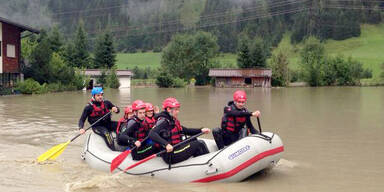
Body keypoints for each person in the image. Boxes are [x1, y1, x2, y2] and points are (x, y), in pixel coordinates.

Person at [149, 97, 210, 165]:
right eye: (176, 110)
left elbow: (186, 130)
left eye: (178, 109)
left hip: (177, 147)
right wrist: (166, 145)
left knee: (194, 139)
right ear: (168, 109)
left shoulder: (172, 119)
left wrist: (201, 130)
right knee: (199, 143)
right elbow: (152, 134)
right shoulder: (163, 121)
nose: (178, 112)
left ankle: (198, 162)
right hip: (171, 154)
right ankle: (208, 164)